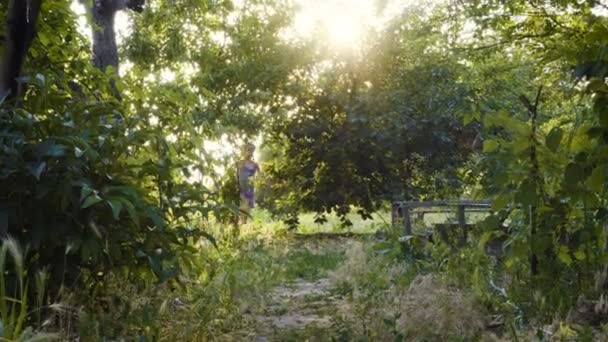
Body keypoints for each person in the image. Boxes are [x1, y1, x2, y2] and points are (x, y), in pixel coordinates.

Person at [237, 143, 260, 224]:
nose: (250, 152)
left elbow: (260, 176)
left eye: (252, 150)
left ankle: (244, 224)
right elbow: (236, 175)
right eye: (248, 150)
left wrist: (257, 182)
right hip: (240, 187)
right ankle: (238, 223)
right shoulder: (240, 163)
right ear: (244, 151)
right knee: (240, 206)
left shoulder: (255, 164)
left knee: (247, 207)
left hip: (249, 188)